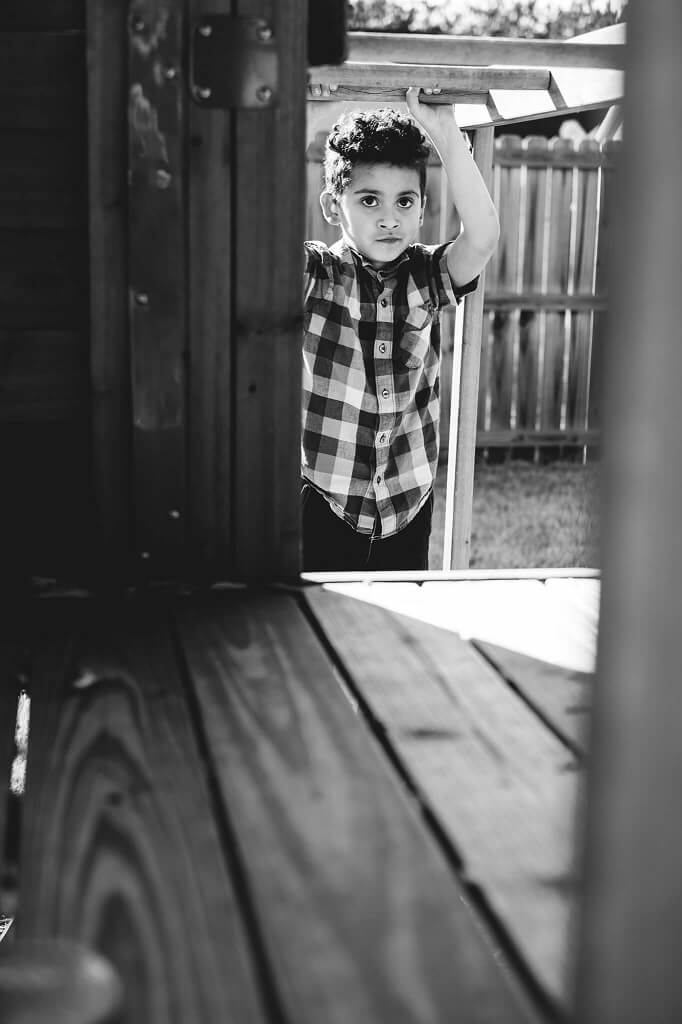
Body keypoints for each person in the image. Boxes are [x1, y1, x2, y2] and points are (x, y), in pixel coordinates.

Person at [302, 87, 499, 571]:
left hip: (407, 504)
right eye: (369, 200)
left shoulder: (425, 274)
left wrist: (448, 137)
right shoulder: (318, 273)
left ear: (422, 207)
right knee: (314, 628)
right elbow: (259, 225)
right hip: (325, 502)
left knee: (400, 639)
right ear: (333, 206)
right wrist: (304, 121)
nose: (390, 217)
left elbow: (482, 237)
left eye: (405, 201)